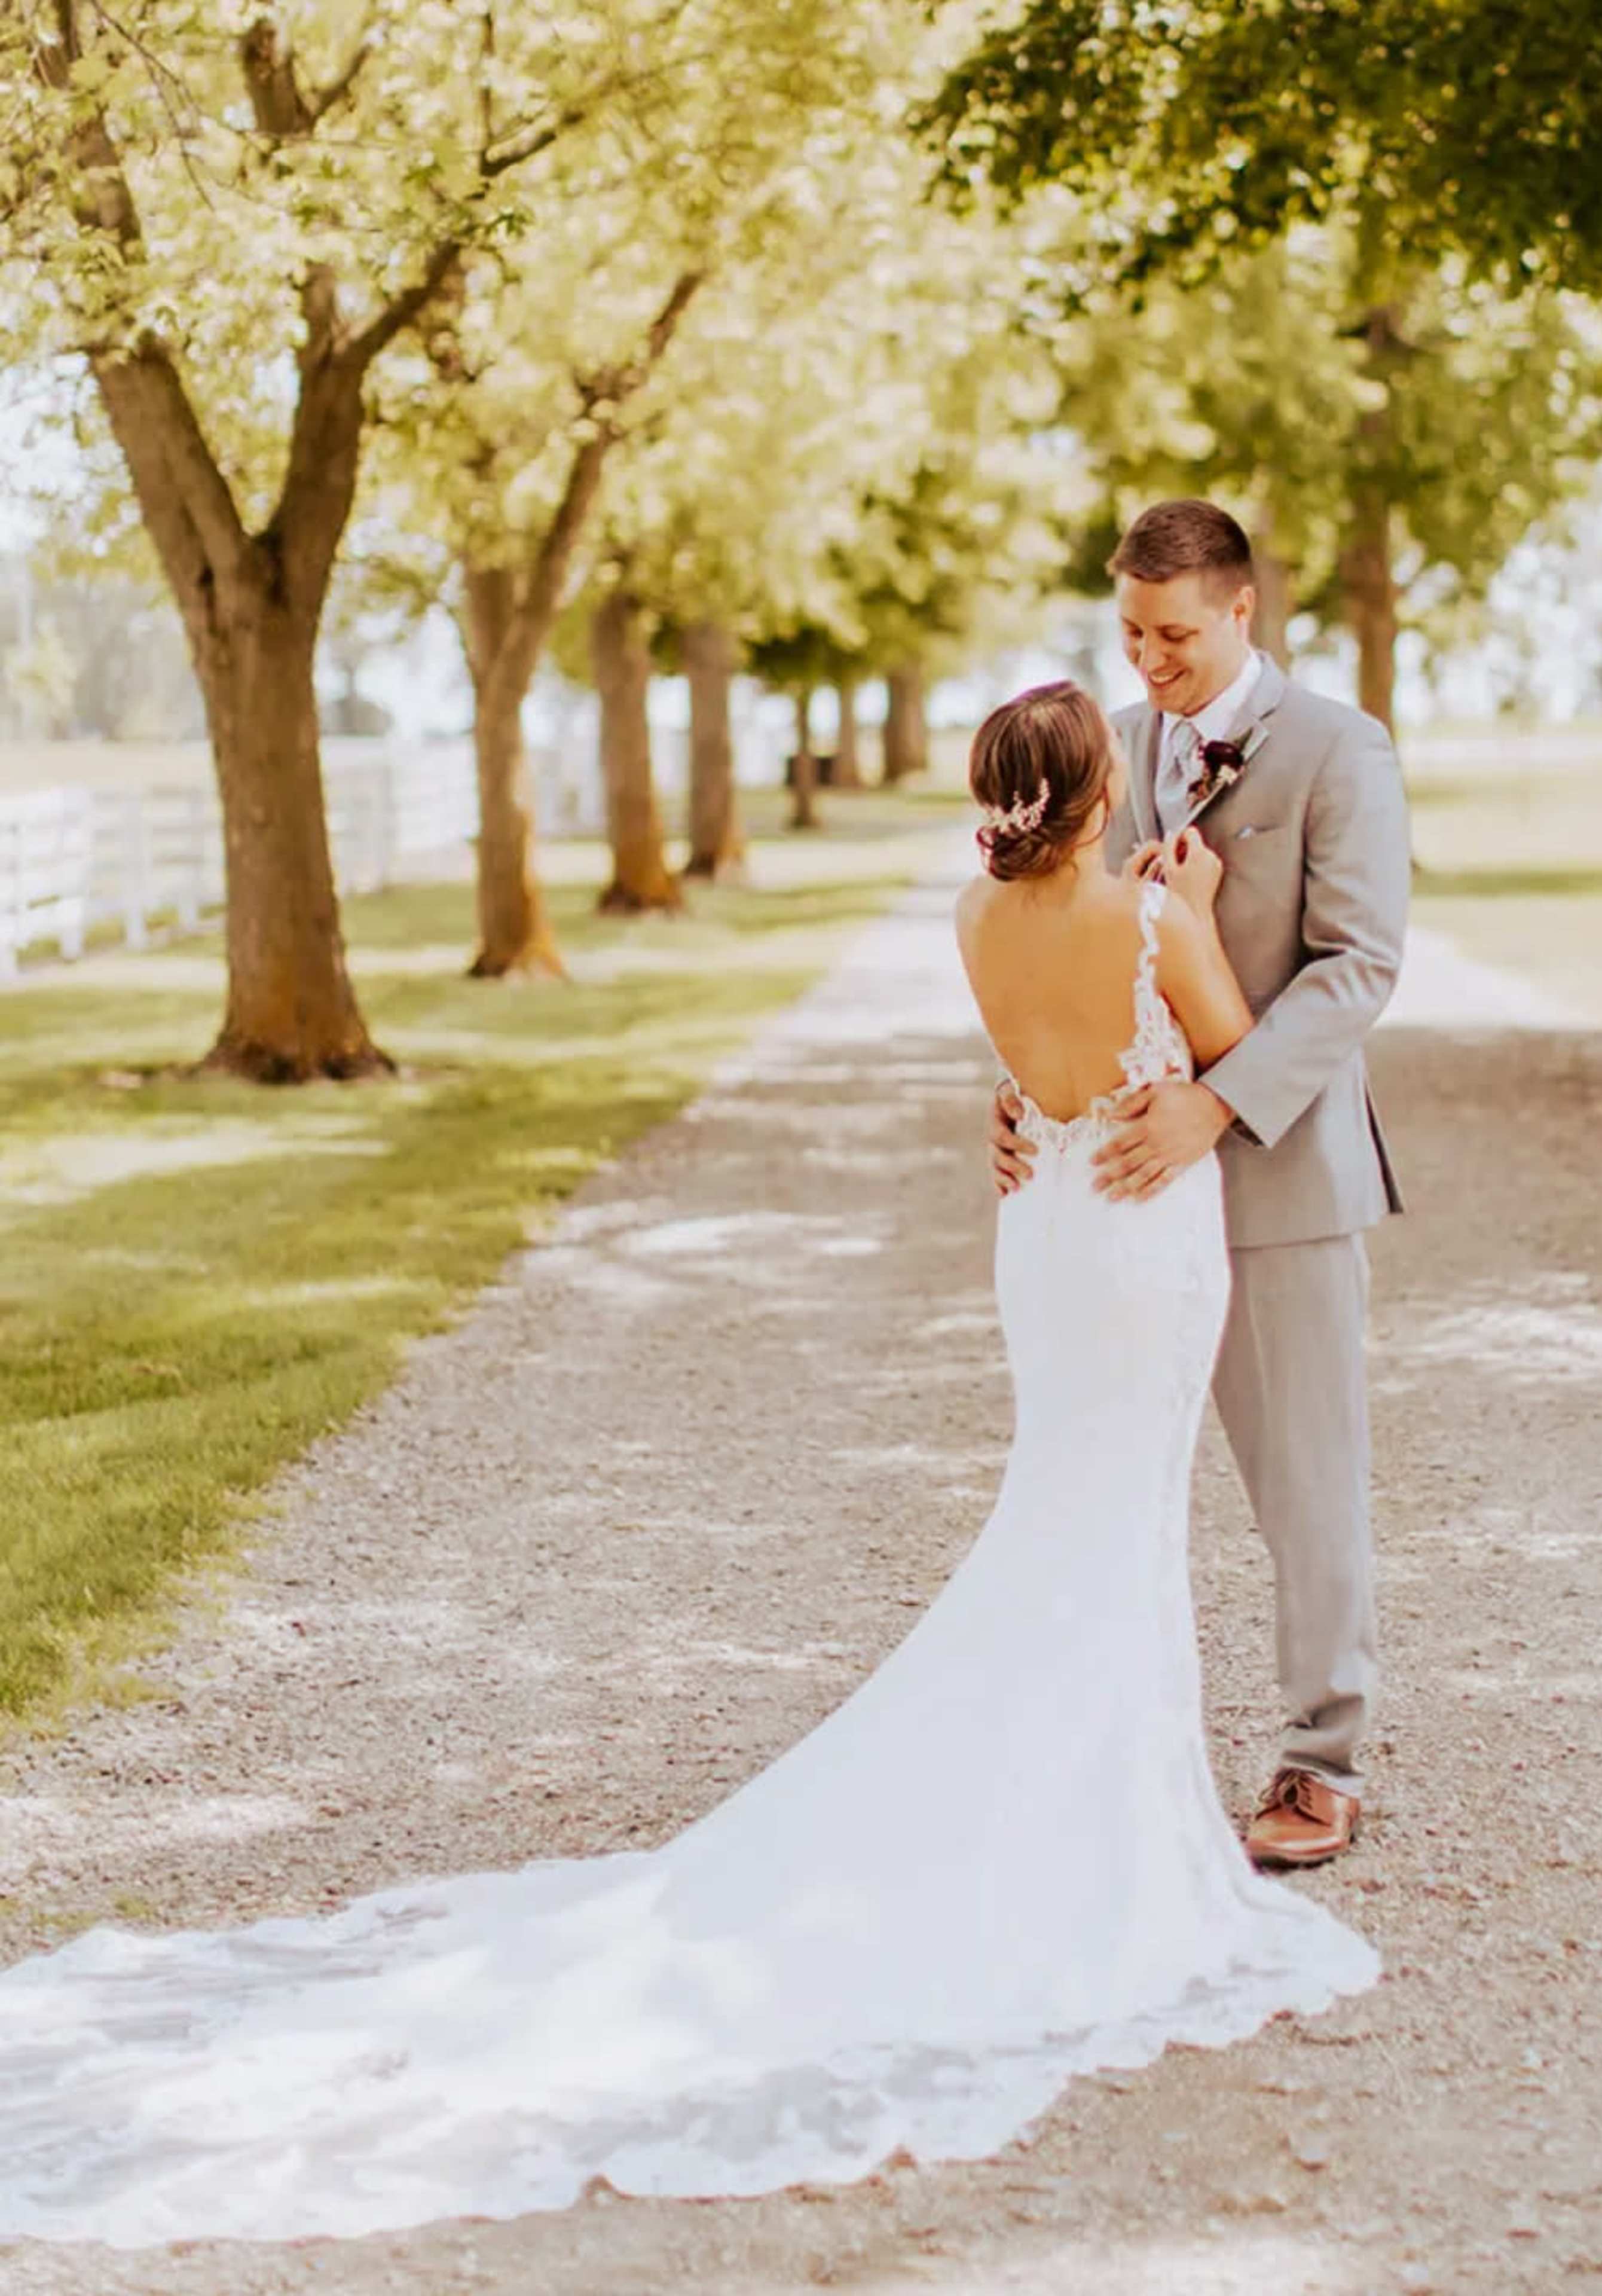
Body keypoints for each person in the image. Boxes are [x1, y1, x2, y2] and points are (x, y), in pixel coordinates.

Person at [0, 680, 1377, 2250]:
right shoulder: (1151, 917)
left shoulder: (968, 923)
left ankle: (1092, 1783)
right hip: (1138, 1241)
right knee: (1118, 1516)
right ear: (1092, 801)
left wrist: (1041, 1075)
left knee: (1068, 1507)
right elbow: (1234, 1061)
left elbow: (1031, 1071)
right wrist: (1188, 904)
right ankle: (1104, 1828)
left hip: (1048, 1235)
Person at [991, 498, 1410, 1870]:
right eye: (1129, 632)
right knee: (1113, 1466)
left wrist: (1216, 1103)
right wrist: (1020, 1099)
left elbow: (1359, 965)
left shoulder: (1344, 751)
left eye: (1174, 634)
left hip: (1276, 1170)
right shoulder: (1112, 752)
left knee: (1305, 1481)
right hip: (1126, 1189)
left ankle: (1322, 1763)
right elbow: (1061, 937)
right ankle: (1109, 1753)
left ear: (1242, 612)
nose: (1149, 658)